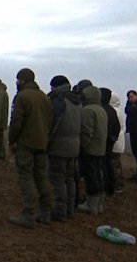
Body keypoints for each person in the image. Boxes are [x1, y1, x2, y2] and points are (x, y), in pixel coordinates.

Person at [7, 68, 53, 228]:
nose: (16, 83)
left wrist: (11, 140)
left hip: (26, 144)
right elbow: (50, 121)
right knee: (41, 177)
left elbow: (16, 122)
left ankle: (29, 214)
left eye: (17, 80)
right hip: (42, 143)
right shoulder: (44, 97)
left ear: (22, 80)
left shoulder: (22, 97)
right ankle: (46, 212)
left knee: (25, 178)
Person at [46, 75, 81, 222]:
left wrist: (47, 143)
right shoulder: (77, 100)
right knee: (70, 180)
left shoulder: (59, 101)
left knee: (58, 180)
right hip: (74, 146)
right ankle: (70, 210)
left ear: (55, 87)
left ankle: (60, 212)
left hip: (59, 147)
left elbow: (54, 124)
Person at [77, 85, 108, 214]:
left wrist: (82, 146)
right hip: (100, 148)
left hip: (90, 149)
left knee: (91, 176)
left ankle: (91, 205)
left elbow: (86, 132)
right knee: (98, 175)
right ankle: (99, 204)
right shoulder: (101, 110)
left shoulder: (88, 110)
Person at [100, 87, 121, 197]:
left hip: (101, 142)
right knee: (108, 165)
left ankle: (105, 189)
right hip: (108, 142)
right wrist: (112, 140)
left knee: (102, 166)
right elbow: (117, 128)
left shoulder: (101, 109)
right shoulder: (111, 110)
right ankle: (110, 188)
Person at [108, 91, 126, 194]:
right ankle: (118, 185)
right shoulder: (118, 110)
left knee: (114, 165)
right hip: (119, 142)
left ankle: (117, 186)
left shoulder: (113, 111)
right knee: (116, 164)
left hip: (115, 142)